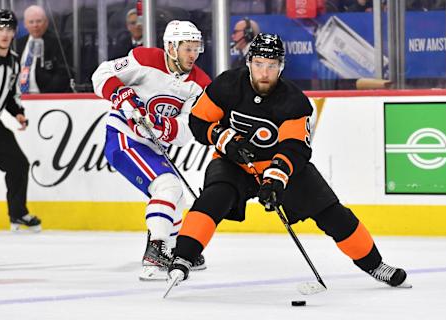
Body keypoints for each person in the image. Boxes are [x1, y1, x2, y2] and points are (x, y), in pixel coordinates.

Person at [166, 33, 411, 290]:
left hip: (279, 167)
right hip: (234, 164)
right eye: (259, 63)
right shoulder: (227, 84)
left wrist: (275, 179)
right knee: (214, 198)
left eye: (272, 66)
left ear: (281, 67)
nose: (264, 72)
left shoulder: (294, 102)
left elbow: (294, 148)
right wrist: (225, 139)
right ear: (249, 62)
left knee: (332, 213)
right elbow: (198, 121)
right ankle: (183, 258)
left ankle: (375, 265)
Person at [92, 20, 211, 280]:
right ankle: (155, 252)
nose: (193, 55)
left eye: (196, 48)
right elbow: (101, 74)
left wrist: (161, 127)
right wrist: (120, 94)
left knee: (177, 199)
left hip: (153, 147)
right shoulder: (145, 58)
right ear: (170, 47)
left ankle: (175, 251)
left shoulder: (199, 84)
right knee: (168, 186)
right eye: (187, 48)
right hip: (124, 138)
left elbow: (188, 129)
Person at [0, 9, 41, 232]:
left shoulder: (14, 63)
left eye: (9, 29)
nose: (4, 34)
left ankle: (18, 213)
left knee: (18, 165)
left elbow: (10, 95)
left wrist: (18, 113)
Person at [16, 5, 73, 93]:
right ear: (25, 24)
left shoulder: (60, 43)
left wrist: (44, 97)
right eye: (31, 22)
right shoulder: (17, 44)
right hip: (19, 96)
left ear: (46, 22)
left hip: (45, 97)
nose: (35, 25)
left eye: (39, 21)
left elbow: (63, 74)